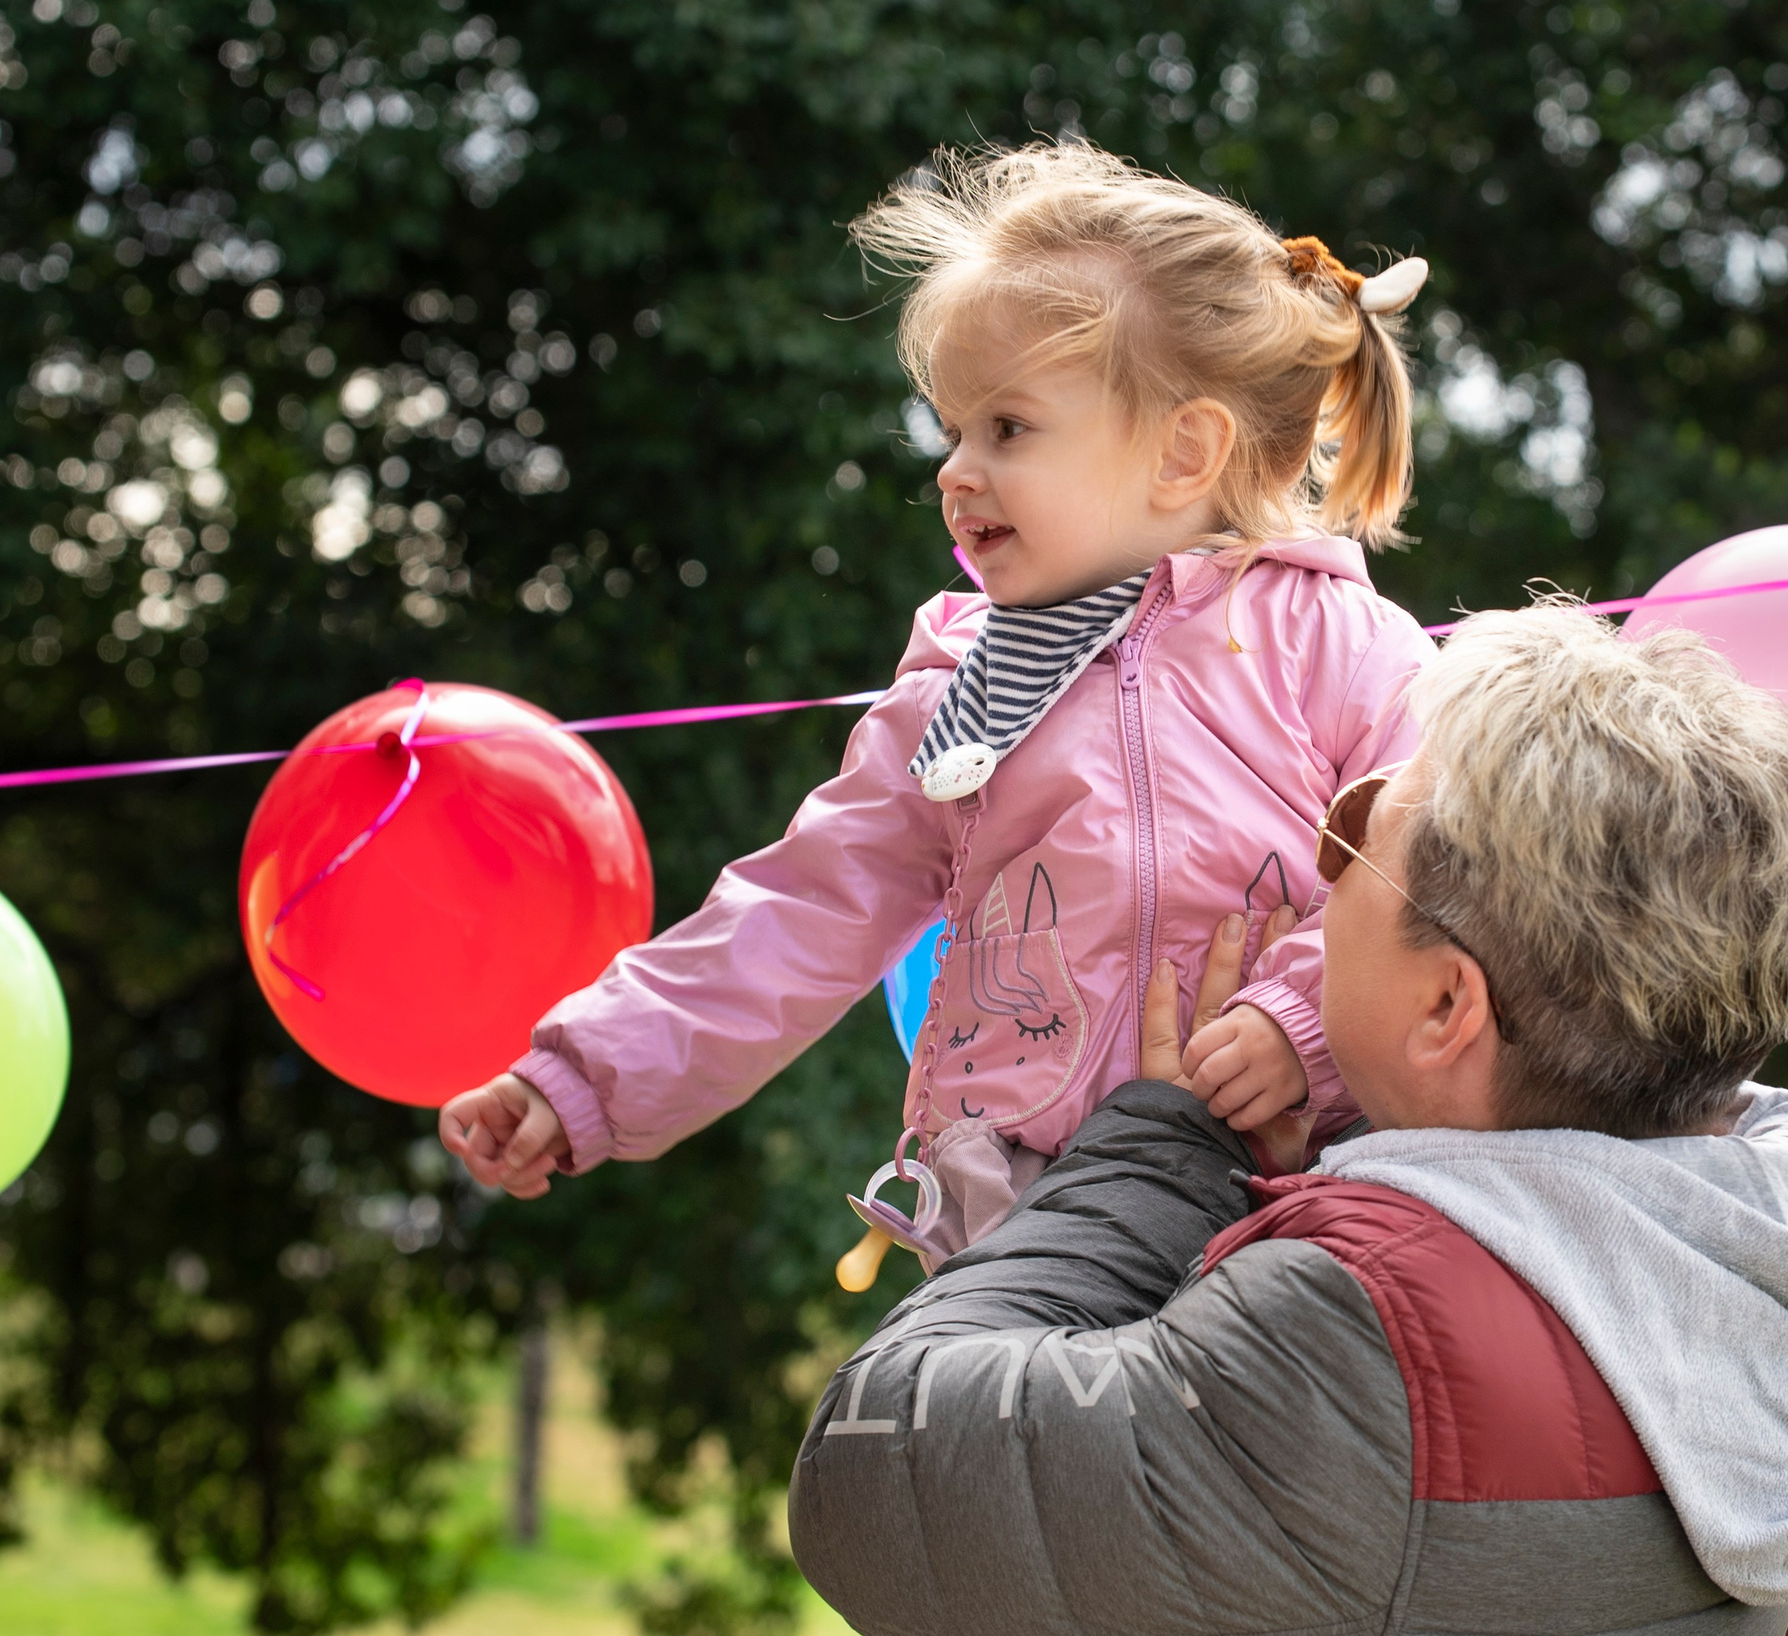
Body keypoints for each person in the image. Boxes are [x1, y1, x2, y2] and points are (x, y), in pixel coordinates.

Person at [786, 601, 1788, 1636]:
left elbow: (870, 1471)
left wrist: (1164, 1147)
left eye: (1361, 828)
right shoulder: (1770, 1269)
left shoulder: (1353, 1333)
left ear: (1444, 1007)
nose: (1322, 856)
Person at [439, 141, 1438, 1276]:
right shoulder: (963, 689)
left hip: (1294, 1185)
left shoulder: (1337, 647)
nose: (955, 471)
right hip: (1022, 1211)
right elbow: (800, 908)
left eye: (1006, 429)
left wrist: (1300, 1025)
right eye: (952, 429)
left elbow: (1438, 873)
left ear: (1184, 451)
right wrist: (578, 1077)